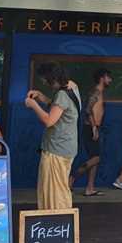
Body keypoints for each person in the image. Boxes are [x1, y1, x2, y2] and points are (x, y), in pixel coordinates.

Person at [25, 63, 80, 210]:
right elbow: (60, 108)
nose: (44, 83)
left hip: (57, 149)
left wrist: (33, 105)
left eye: (45, 80)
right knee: (59, 186)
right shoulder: (72, 88)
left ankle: (58, 221)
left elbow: (49, 121)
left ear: (53, 78)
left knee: (55, 191)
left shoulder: (62, 94)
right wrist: (42, 97)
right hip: (67, 146)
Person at [71, 68, 112, 196]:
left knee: (95, 158)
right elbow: (88, 110)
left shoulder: (100, 93)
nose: (110, 80)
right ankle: (72, 178)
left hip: (95, 128)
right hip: (90, 128)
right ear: (102, 78)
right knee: (96, 158)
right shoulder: (96, 92)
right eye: (108, 77)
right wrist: (94, 127)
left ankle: (90, 188)